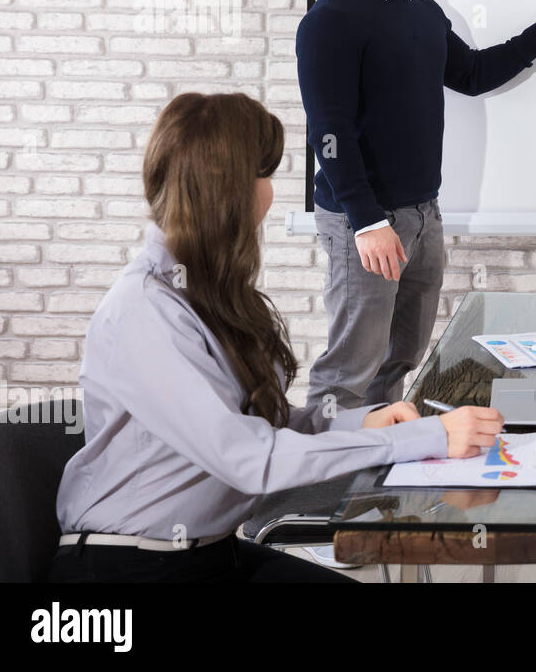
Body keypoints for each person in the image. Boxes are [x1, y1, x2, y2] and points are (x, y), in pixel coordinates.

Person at [50, 93, 504, 582]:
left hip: (212, 551)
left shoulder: (203, 291)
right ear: (226, 192)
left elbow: (263, 424)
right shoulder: (145, 309)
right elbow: (249, 458)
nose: (270, 193)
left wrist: (361, 424)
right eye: (263, 176)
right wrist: (419, 438)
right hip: (131, 568)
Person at [296, 0, 536, 415]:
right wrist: (366, 221)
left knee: (399, 361)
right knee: (347, 376)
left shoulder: (423, 14)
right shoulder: (330, 21)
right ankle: (324, 488)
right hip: (368, 223)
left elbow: (472, 74)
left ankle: (374, 482)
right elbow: (328, 131)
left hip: (422, 216)